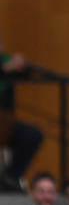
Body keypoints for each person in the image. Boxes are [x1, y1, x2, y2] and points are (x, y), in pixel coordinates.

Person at [0, 43, 42, 193]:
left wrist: (23, 65)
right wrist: (5, 69)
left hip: (5, 120)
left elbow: (26, 75)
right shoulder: (5, 65)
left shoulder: (5, 59)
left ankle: (11, 177)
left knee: (31, 135)